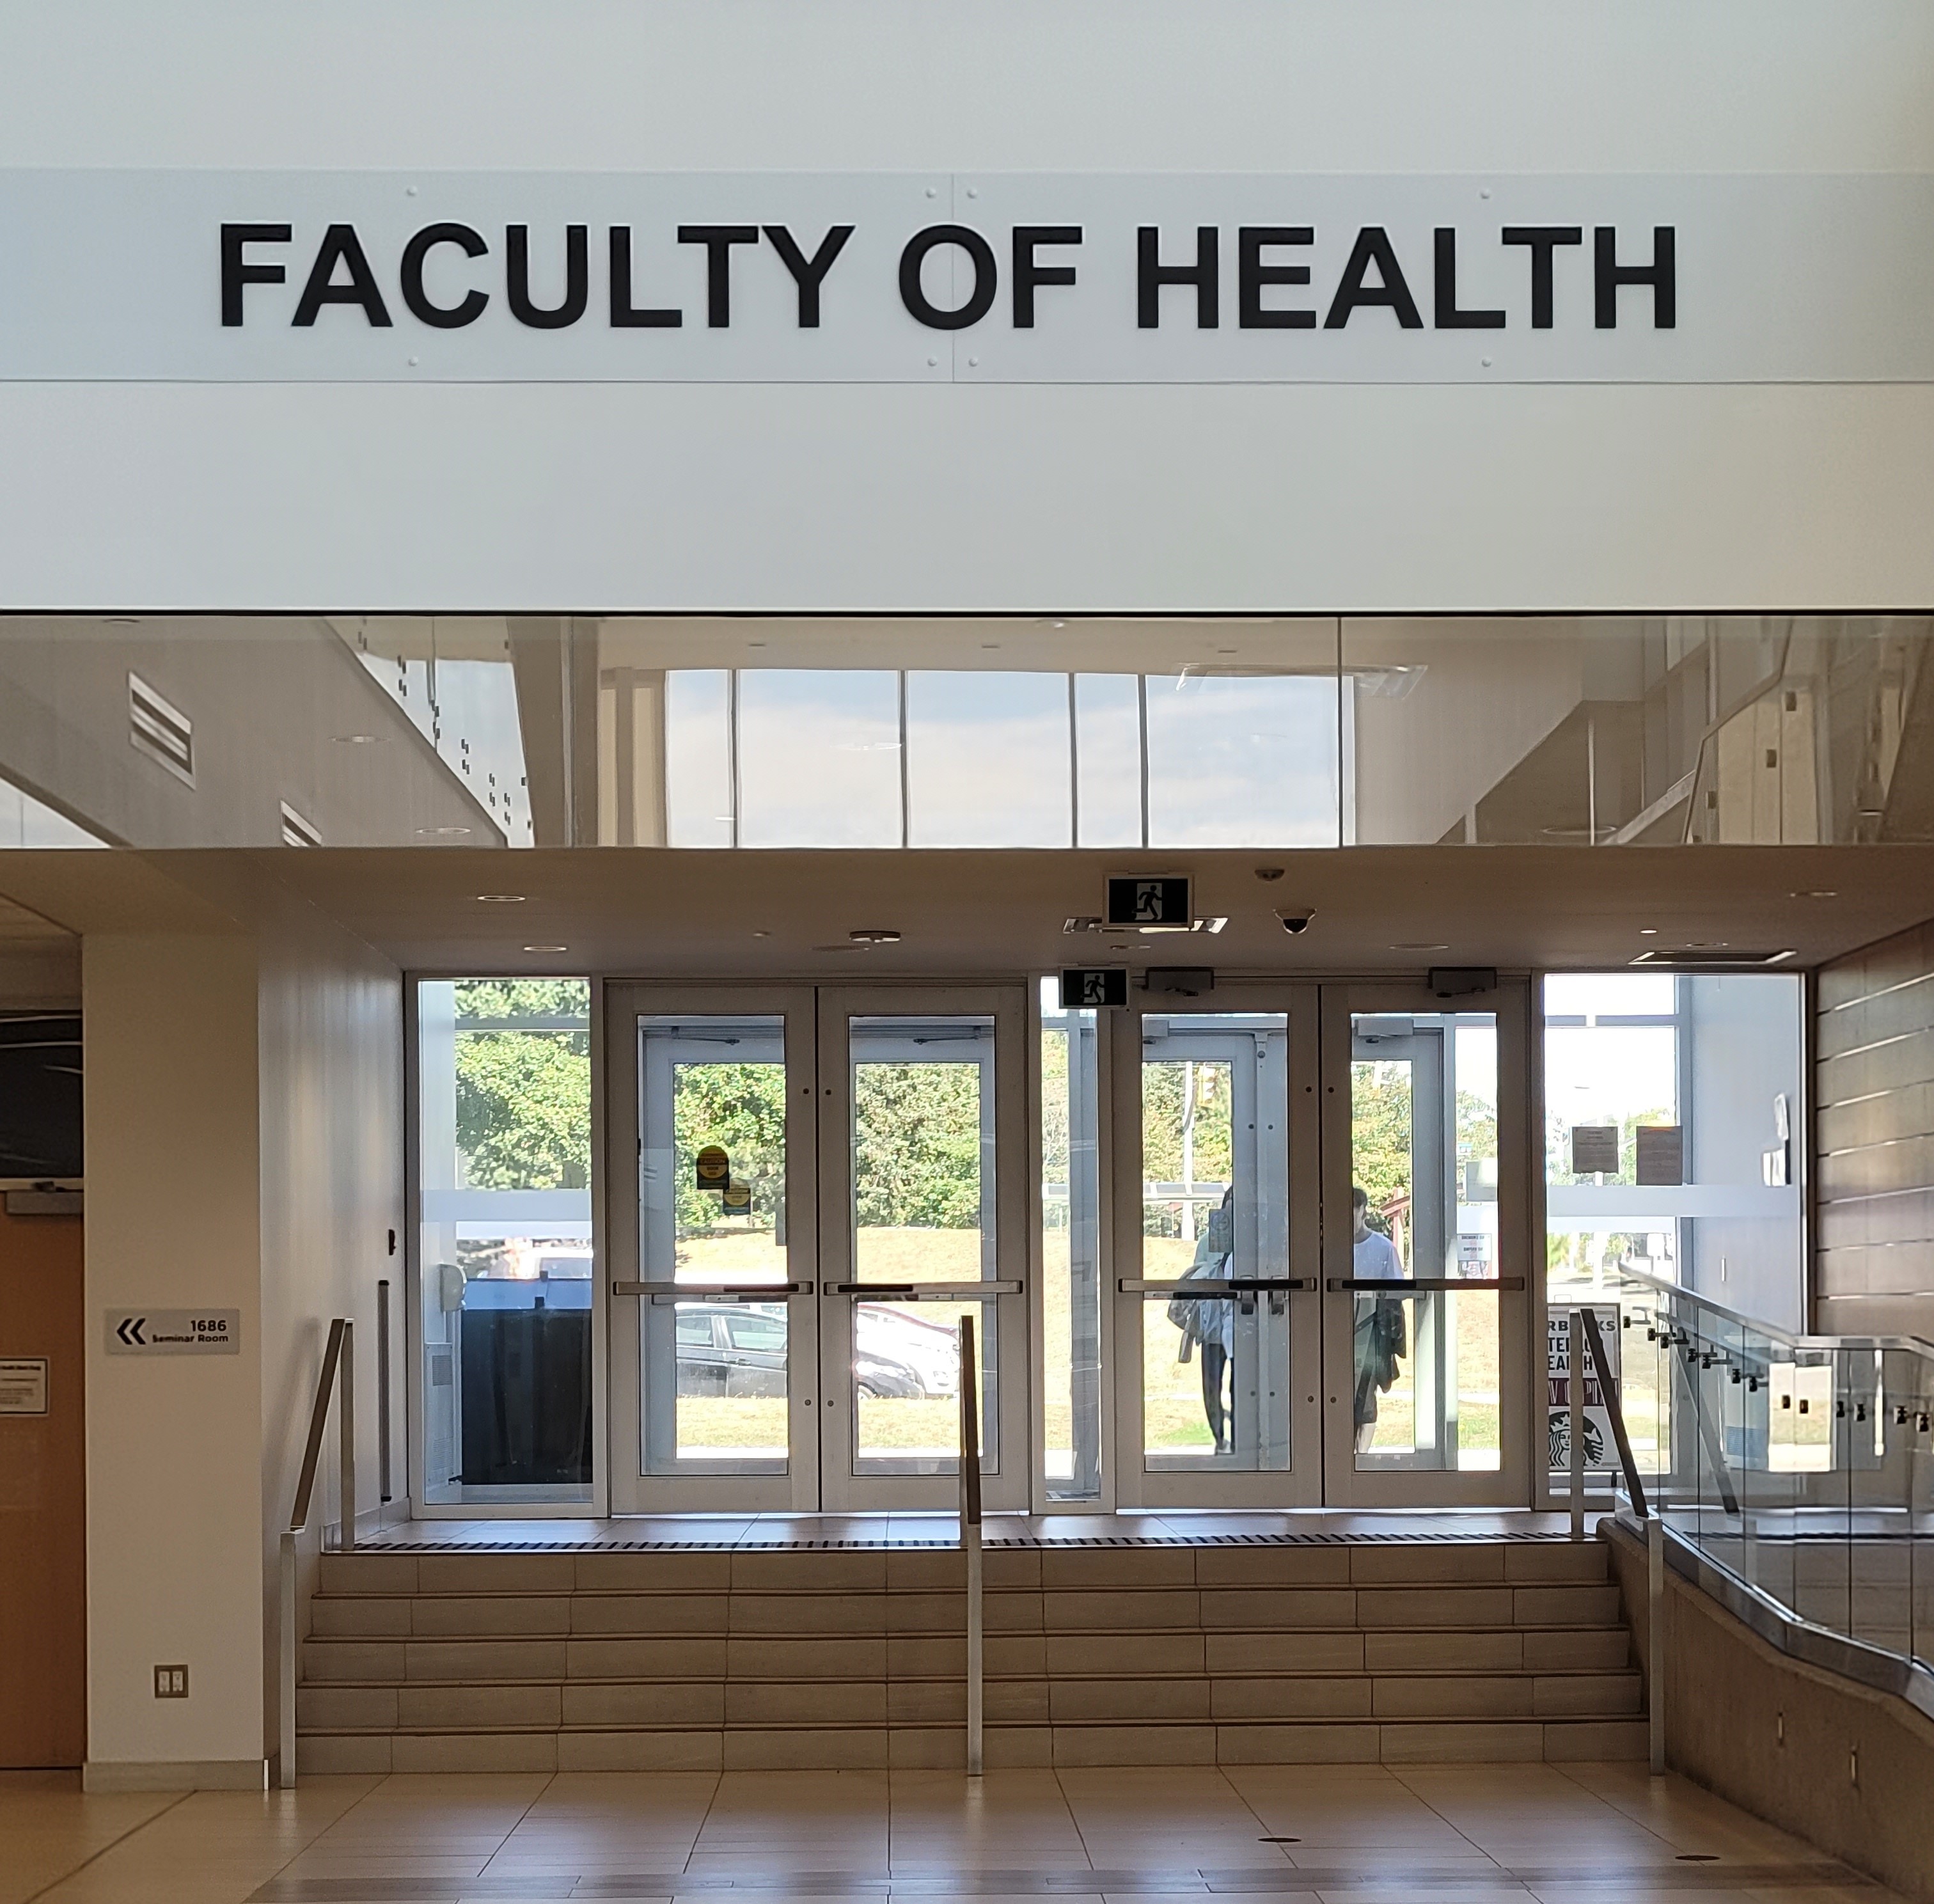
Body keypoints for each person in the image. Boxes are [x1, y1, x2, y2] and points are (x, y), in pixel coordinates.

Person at [1167, 1186, 1237, 1455]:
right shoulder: (1208, 1242)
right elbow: (1199, 1277)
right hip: (1211, 1324)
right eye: (1230, 1204)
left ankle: (1240, 1439)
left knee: (1239, 1384)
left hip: (1239, 1322)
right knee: (1211, 1385)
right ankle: (1220, 1438)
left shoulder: (1255, 1243)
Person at [1349, 1184, 1407, 1452]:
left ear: (1362, 1210)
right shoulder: (1324, 1248)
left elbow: (1398, 1292)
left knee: (1366, 1396)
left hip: (1371, 1331)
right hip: (1337, 1330)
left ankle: (1361, 1457)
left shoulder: (1383, 1248)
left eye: (1352, 1210)